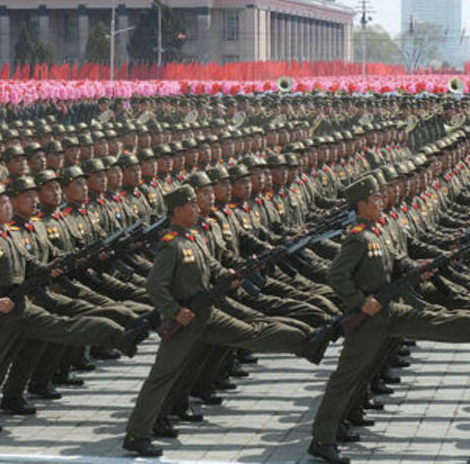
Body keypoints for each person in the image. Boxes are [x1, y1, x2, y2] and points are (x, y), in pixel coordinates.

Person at [308, 174, 470, 464]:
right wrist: (360, 302)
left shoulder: (376, 232)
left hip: (392, 310)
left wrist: (418, 268)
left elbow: (397, 259)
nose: (380, 201)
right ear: (360, 205)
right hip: (367, 320)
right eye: (374, 198)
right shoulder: (358, 238)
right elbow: (335, 275)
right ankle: (322, 439)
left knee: (440, 319)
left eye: (379, 197)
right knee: (347, 377)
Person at [122, 184, 323, 458]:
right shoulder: (171, 245)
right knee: (163, 376)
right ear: (178, 211)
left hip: (206, 312)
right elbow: (155, 286)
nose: (197, 208)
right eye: (191, 205)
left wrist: (228, 274)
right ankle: (137, 434)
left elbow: (209, 267)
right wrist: (173, 312)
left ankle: (305, 342)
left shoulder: (193, 238)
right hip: (185, 320)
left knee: (251, 333)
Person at [0, 183, 130, 449]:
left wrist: (47, 270)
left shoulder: (11, 234)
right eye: (1, 203)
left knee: (63, 328)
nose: (7, 206)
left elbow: (27, 263)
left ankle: (117, 335)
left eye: (8, 202)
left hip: (22, 308)